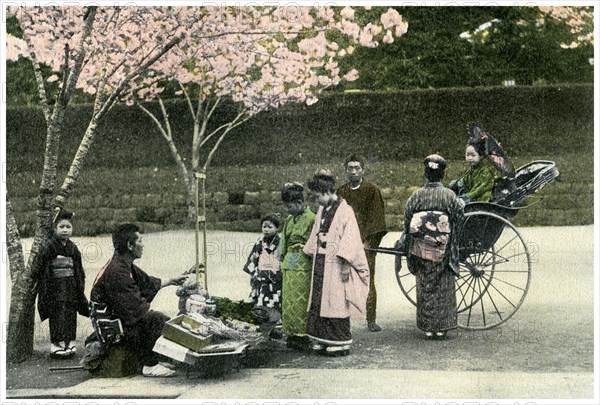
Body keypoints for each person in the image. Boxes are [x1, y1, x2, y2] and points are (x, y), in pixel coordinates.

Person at [90, 223, 186, 377]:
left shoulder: (121, 264)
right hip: (110, 328)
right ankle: (149, 364)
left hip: (117, 319)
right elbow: (136, 311)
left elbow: (147, 283)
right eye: (140, 240)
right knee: (155, 318)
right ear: (129, 245)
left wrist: (173, 280)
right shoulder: (117, 271)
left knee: (156, 318)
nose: (143, 245)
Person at [303, 171, 370, 356]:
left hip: (337, 262)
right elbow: (316, 232)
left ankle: (339, 340)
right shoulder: (323, 210)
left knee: (336, 299)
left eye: (317, 197)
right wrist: (309, 249)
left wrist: (347, 263)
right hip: (321, 260)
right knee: (319, 299)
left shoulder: (345, 210)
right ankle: (321, 337)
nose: (317, 201)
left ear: (326, 191)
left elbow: (351, 238)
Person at [401, 154, 464, 339]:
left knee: (425, 284)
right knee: (443, 285)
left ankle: (428, 328)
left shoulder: (416, 196)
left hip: (420, 250)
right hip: (443, 251)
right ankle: (442, 327)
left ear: (425, 174)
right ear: (443, 175)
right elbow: (459, 220)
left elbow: (407, 222)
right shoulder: (449, 196)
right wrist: (449, 239)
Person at [337, 154, 387, 332]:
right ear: (345, 171)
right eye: (350, 168)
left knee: (367, 279)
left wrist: (368, 242)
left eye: (357, 168)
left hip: (366, 242)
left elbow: (376, 219)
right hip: (345, 244)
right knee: (341, 280)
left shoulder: (371, 190)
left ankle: (371, 319)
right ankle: (342, 319)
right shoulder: (341, 192)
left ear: (363, 170)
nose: (353, 172)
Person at [35, 208, 89, 357]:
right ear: (55, 228)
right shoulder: (49, 246)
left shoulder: (73, 248)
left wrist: (79, 286)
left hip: (70, 286)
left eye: (68, 227)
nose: (65, 230)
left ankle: (70, 342)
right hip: (54, 287)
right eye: (61, 227)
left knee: (71, 314)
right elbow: (42, 267)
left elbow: (78, 269)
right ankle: (55, 344)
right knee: (56, 315)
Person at [280, 182, 316, 350]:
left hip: (304, 260)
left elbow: (315, 241)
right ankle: (291, 333)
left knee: (301, 300)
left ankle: (303, 335)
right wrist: (282, 258)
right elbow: (284, 241)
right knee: (289, 299)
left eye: (291, 206)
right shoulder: (289, 220)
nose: (289, 210)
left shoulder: (312, 219)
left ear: (301, 203)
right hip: (290, 260)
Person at [242, 213, 282, 325]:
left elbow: (283, 259)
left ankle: (275, 321)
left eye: (270, 227)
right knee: (260, 298)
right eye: (264, 226)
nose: (266, 230)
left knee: (274, 299)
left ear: (277, 228)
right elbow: (254, 257)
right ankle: (260, 319)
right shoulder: (260, 242)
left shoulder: (280, 242)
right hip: (261, 275)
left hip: (275, 277)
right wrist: (254, 273)